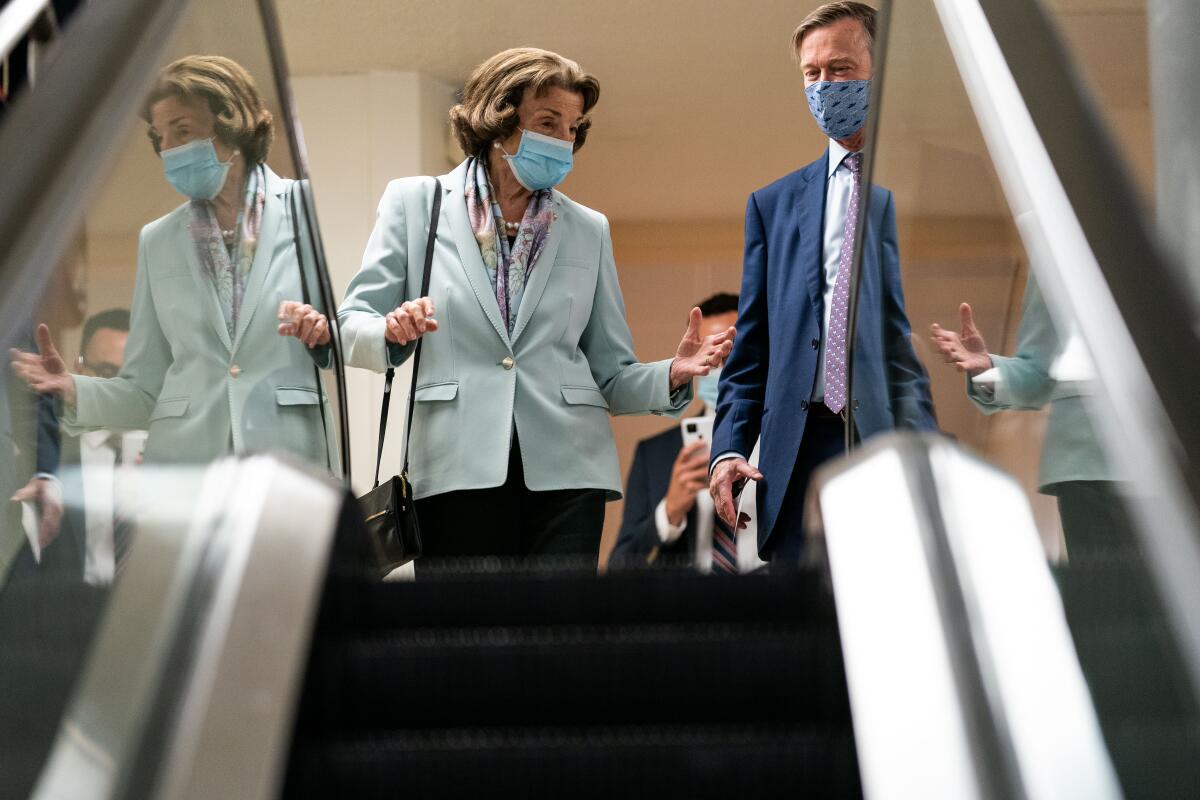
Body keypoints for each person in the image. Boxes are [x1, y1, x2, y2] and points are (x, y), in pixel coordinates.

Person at [330, 48, 734, 568]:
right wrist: (389, 330)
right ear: (498, 120)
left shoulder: (589, 229)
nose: (564, 139)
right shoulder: (416, 204)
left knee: (557, 638)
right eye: (549, 121)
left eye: (573, 127)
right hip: (454, 467)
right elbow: (349, 323)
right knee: (464, 639)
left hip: (570, 473)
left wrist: (673, 375)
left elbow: (610, 373)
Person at [9, 56, 331, 467]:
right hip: (186, 474)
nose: (168, 150)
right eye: (161, 137)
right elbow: (145, 391)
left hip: (290, 464)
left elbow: (349, 327)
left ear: (234, 127)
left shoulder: (306, 208)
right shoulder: (157, 240)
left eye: (182, 131)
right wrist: (72, 389)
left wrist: (324, 333)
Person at [709, 2, 936, 567]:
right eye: (812, 74)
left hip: (882, 437)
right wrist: (727, 449)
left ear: (881, 73)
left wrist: (928, 449)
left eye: (840, 69)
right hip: (796, 447)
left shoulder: (913, 190)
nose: (824, 84)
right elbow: (752, 346)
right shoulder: (771, 205)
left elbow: (904, 345)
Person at [930, 279, 1133, 559]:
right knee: (1113, 600)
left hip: (1184, 456)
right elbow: (1038, 374)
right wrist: (986, 370)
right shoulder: (1068, 241)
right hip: (1093, 469)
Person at [611, 293, 762, 573]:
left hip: (775, 604)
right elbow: (619, 568)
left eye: (732, 355)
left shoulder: (785, 443)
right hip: (688, 608)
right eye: (711, 356)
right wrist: (669, 512)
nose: (721, 368)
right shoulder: (655, 455)